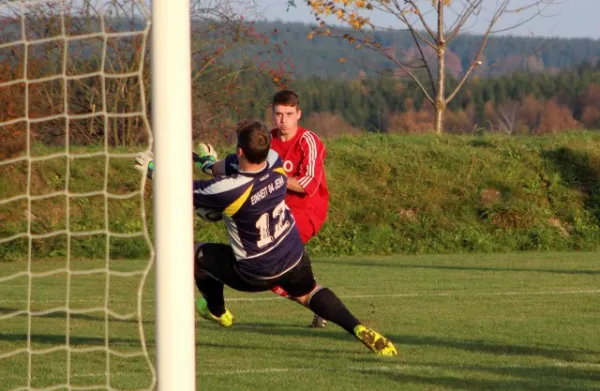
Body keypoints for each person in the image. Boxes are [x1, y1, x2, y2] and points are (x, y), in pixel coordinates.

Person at [134, 120, 397, 356]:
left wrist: (153, 169)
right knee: (308, 293)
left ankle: (217, 310)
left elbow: (178, 187)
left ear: (240, 150)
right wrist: (210, 165)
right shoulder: (276, 163)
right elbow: (230, 166)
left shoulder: (229, 189)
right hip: (293, 255)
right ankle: (358, 328)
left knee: (195, 253)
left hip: (254, 272)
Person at [200, 90, 330, 328]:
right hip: (275, 212)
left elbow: (307, 184)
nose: (283, 119)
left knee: (268, 267)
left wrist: (271, 176)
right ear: (272, 113)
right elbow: (241, 167)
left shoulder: (307, 140)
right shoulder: (266, 140)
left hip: (305, 212)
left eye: (289, 114)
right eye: (278, 113)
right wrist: (210, 166)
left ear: (298, 114)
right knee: (271, 273)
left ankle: (317, 303)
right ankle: (317, 303)